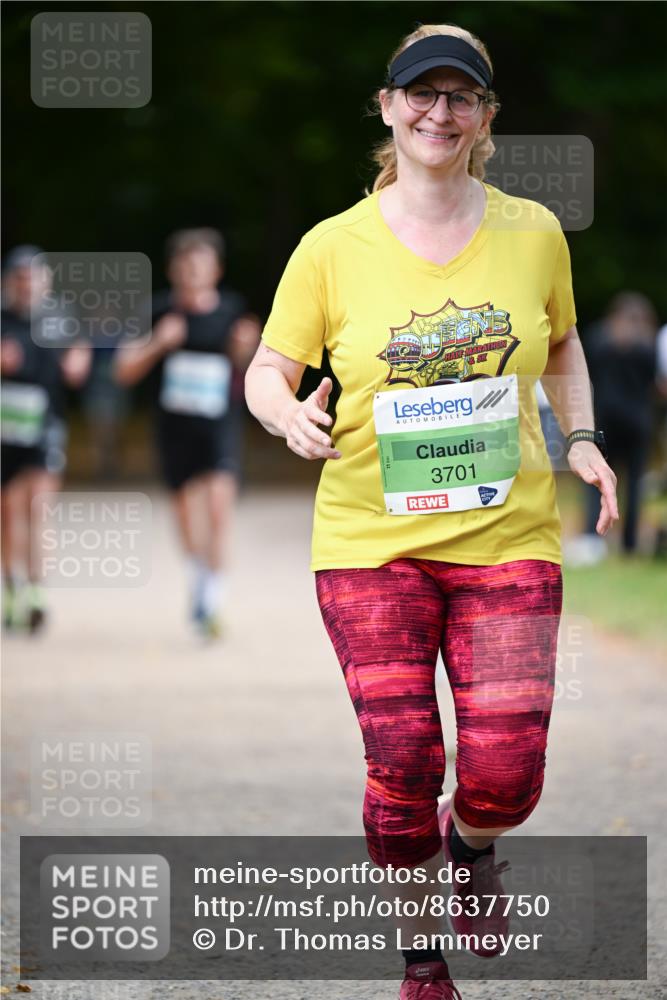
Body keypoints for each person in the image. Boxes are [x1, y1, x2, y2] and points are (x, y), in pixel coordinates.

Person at [246, 23, 618, 999]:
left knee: (506, 773)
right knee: (403, 759)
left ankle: (473, 843)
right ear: (387, 107)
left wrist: (581, 438)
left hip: (508, 537)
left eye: (460, 97)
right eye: (420, 93)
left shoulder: (533, 232)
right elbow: (266, 370)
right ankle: (421, 958)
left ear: (485, 117)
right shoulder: (330, 248)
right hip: (369, 544)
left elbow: (563, 343)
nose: (438, 113)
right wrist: (286, 414)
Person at [114, 228, 259, 637]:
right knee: (185, 516)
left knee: (218, 509)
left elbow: (251, 366)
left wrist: (245, 347)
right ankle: (198, 576)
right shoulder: (158, 311)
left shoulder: (231, 311)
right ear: (173, 269)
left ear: (216, 270)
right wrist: (159, 344)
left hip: (219, 427)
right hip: (174, 429)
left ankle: (213, 599)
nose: (193, 272)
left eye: (201, 264)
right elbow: (123, 371)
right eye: (186, 264)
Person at [1, 246, 91, 632]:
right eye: (20, 278)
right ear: (9, 283)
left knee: (39, 508)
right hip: (6, 427)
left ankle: (37, 592)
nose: (27, 285)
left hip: (46, 423)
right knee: (9, 512)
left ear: (46, 283)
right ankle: (12, 588)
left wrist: (78, 361)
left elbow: (79, 352)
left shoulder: (61, 319)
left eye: (33, 278)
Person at [579, 292, 657, 555]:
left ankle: (593, 536)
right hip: (637, 421)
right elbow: (652, 382)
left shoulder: (599, 340)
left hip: (606, 420)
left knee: (596, 480)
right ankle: (630, 542)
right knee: (634, 483)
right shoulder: (647, 346)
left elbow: (588, 374)